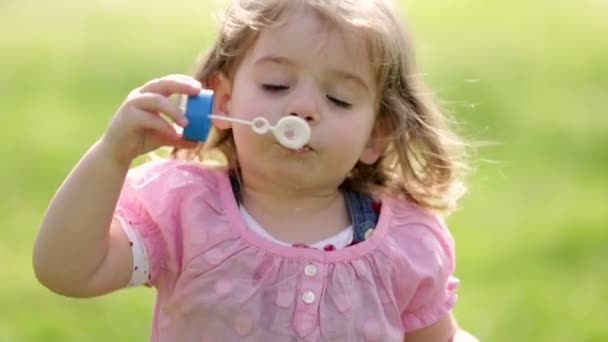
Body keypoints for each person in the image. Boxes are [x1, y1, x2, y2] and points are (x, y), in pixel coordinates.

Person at [33, 0, 479, 340]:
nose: (303, 109)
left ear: (374, 137)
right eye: (276, 85)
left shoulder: (404, 245)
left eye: (339, 98)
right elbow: (68, 270)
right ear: (224, 103)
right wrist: (111, 156)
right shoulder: (187, 212)